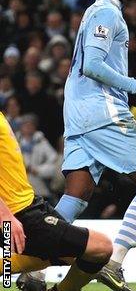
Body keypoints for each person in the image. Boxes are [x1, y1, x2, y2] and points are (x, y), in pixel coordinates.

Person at [24, 0, 136, 291]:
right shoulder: (106, 12)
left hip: (78, 115)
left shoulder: (95, 12)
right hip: (102, 114)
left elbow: (91, 68)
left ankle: (33, 267)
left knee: (76, 196)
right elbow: (92, 64)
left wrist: (129, 94)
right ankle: (115, 262)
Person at [1, 112, 112, 291]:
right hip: (17, 212)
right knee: (101, 247)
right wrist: (6, 216)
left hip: (29, 203)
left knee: (75, 256)